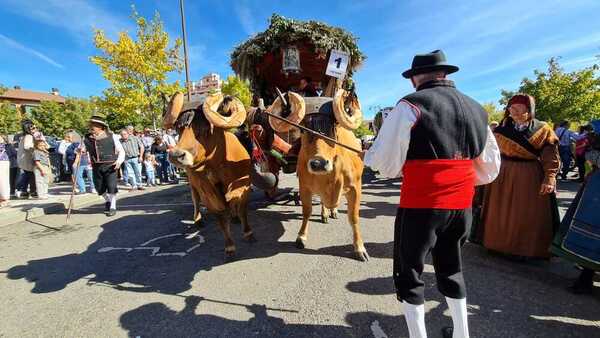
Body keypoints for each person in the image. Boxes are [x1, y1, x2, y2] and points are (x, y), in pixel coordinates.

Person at [364, 50, 501, 338]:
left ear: (415, 78)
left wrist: (370, 157)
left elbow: (387, 165)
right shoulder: (478, 109)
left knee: (409, 274)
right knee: (451, 268)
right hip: (462, 206)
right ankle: (462, 334)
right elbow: (489, 168)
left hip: (421, 205)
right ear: (445, 74)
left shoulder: (410, 105)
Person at [481, 94, 560, 259]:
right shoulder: (501, 129)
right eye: (511, 106)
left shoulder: (542, 129)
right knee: (498, 210)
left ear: (529, 109)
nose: (513, 110)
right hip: (502, 175)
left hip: (528, 176)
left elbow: (550, 156)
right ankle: (496, 244)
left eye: (518, 106)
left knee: (526, 213)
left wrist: (549, 178)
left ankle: (522, 249)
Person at [551, 130, 600, 294]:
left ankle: (586, 278)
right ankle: (586, 277)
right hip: (596, 188)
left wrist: (592, 155)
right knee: (592, 231)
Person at [82, 114, 125, 216]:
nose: (91, 127)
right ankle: (108, 201)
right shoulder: (86, 138)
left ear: (100, 126)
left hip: (111, 165)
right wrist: (80, 150)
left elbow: (121, 151)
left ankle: (113, 206)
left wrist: (119, 162)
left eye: (94, 125)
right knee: (99, 188)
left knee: (111, 186)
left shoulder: (112, 136)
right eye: (91, 124)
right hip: (96, 166)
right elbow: (81, 150)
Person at [16, 120, 37, 198]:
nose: (35, 129)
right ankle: (29, 191)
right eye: (33, 128)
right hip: (27, 160)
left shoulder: (24, 136)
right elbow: (27, 146)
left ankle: (25, 192)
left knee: (28, 175)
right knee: (30, 175)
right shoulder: (29, 136)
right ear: (28, 129)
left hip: (23, 159)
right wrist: (35, 148)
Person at [32, 132, 52, 200]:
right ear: (36, 146)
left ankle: (45, 193)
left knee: (45, 181)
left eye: (43, 145)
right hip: (39, 167)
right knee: (40, 181)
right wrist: (42, 169)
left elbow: (48, 148)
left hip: (45, 167)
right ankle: (41, 194)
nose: (42, 147)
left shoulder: (44, 151)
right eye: (40, 145)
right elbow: (37, 162)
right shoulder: (36, 152)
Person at [0, 135, 10, 207]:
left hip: (2, 161)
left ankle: (4, 199)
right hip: (3, 161)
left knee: (3, 181)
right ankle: (3, 199)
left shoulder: (1, 138)